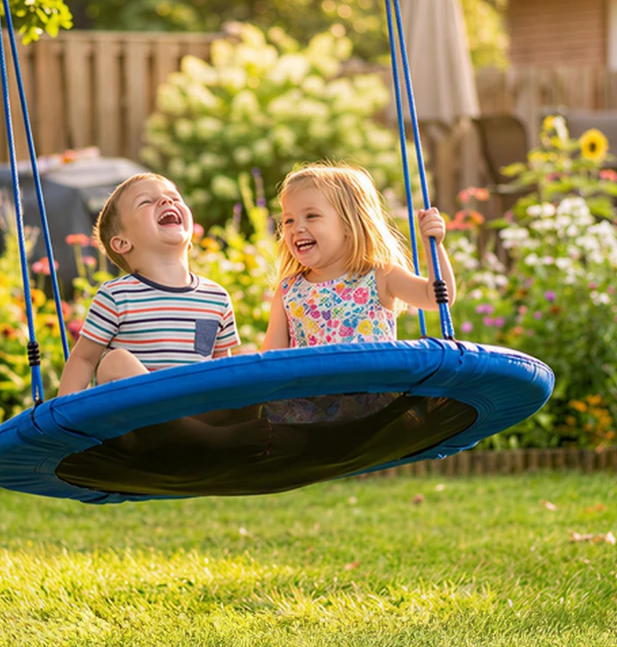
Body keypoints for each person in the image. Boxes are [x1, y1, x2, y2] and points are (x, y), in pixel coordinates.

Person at [58, 172, 270, 455]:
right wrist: (63, 425)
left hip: (198, 412)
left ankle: (214, 437)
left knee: (244, 364)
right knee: (114, 362)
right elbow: (84, 359)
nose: (165, 201)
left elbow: (221, 370)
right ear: (122, 243)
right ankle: (210, 440)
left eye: (173, 197)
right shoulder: (117, 296)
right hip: (139, 430)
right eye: (146, 202)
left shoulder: (215, 297)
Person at [262, 162, 456, 425]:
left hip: (372, 403)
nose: (296, 228)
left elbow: (435, 298)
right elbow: (270, 361)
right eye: (288, 220)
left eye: (311, 216)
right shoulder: (289, 291)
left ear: (348, 224)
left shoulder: (380, 275)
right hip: (312, 408)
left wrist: (434, 245)